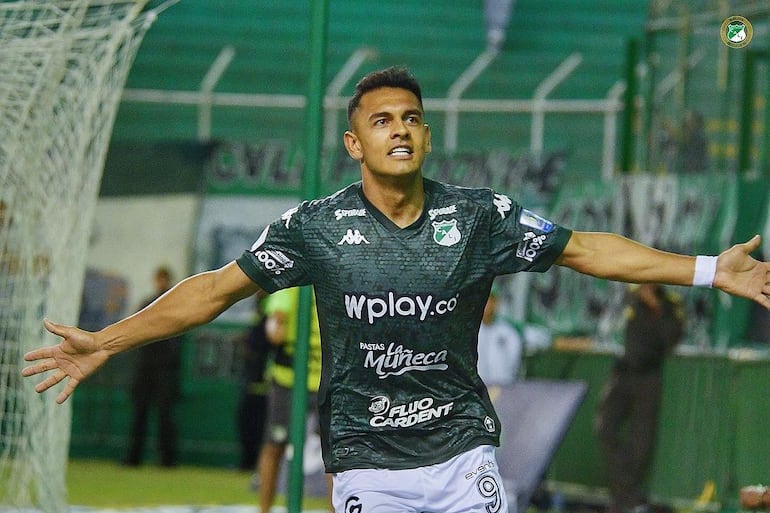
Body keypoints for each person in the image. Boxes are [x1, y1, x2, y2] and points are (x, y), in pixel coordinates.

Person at [21, 66, 770, 513]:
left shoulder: (478, 217)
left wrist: (709, 268)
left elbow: (588, 250)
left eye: (411, 117)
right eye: (381, 121)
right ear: (356, 143)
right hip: (365, 457)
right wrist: (106, 340)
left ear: (427, 134)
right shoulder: (313, 226)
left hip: (461, 450)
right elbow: (213, 291)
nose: (400, 129)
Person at [594, 283, 685, 513]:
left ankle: (626, 498)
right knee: (605, 426)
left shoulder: (669, 303)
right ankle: (625, 494)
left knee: (641, 439)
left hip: (648, 374)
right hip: (623, 370)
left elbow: (671, 339)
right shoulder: (629, 296)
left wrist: (655, 305)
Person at [255, 286, 327, 513]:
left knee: (334, 453)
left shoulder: (332, 285)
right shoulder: (293, 287)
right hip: (288, 381)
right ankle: (264, 509)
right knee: (274, 444)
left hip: (324, 381)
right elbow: (275, 326)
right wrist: (277, 323)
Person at [123, 266, 183, 468]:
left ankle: (167, 459)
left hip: (165, 367)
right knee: (139, 413)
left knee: (165, 415)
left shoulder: (177, 303)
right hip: (146, 366)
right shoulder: (147, 304)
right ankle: (134, 457)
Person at [236, 295, 274, 474]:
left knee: (261, 428)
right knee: (247, 423)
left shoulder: (271, 315)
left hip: (265, 384)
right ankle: (248, 462)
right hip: (252, 382)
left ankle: (254, 464)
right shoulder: (259, 318)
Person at [477, 287, 523, 386]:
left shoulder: (508, 330)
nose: (487, 305)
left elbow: (514, 360)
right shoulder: (468, 330)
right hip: (475, 388)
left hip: (503, 387)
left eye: (491, 300)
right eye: (484, 300)